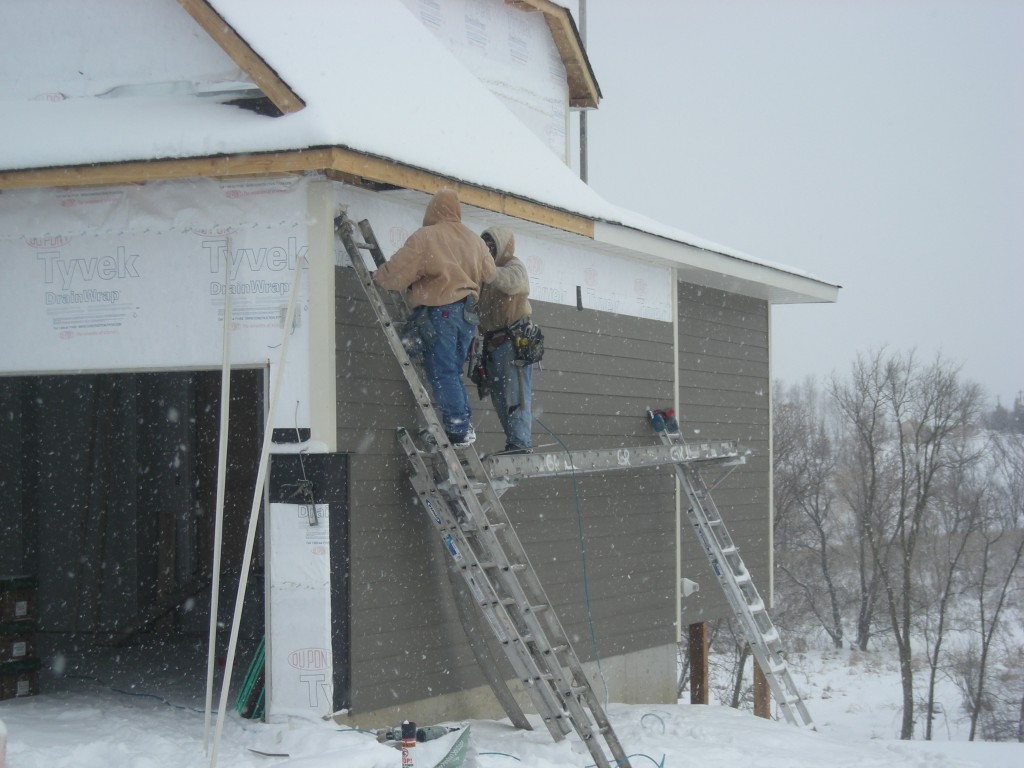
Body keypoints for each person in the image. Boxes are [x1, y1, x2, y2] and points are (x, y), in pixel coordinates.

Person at [374, 189, 495, 447]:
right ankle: (461, 423)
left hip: (442, 311)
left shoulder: (427, 237)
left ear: (433, 210)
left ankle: (458, 427)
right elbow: (491, 273)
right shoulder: (476, 241)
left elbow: (397, 273)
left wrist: (379, 276)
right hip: (468, 316)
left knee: (441, 371)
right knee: (452, 371)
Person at [478, 226, 533, 454]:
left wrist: (489, 270)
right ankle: (513, 442)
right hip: (492, 344)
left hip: (513, 342)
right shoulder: (484, 275)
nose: (488, 248)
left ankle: (520, 444)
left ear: (502, 246)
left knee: (515, 395)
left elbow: (511, 282)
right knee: (500, 399)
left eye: (491, 244)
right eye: (484, 244)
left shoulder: (514, 266)